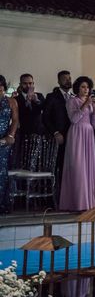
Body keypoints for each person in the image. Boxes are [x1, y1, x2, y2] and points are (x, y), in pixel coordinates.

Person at [59, 76, 95, 212]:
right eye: (83, 87)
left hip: (88, 134)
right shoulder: (72, 101)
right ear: (77, 88)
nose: (86, 90)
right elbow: (74, 119)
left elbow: (94, 124)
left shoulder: (89, 102)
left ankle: (88, 202)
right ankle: (76, 203)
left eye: (87, 87)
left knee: (88, 168)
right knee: (78, 167)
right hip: (77, 134)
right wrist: (85, 104)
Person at [43, 70, 73, 203]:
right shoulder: (52, 96)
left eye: (69, 78)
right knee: (57, 167)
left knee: (71, 167)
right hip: (58, 137)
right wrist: (55, 132)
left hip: (73, 137)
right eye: (65, 78)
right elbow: (46, 117)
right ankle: (55, 198)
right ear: (59, 81)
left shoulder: (74, 97)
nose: (68, 80)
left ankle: (70, 195)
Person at [15, 73, 46, 171]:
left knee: (38, 163)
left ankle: (36, 186)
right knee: (24, 163)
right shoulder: (16, 99)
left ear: (33, 83)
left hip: (38, 133)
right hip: (23, 135)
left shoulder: (39, 96)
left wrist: (36, 101)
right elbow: (20, 114)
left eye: (30, 83)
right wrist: (27, 102)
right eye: (25, 83)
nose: (28, 86)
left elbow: (43, 109)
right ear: (20, 84)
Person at [0, 75, 18, 214]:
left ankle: (2, 203)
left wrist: (10, 135)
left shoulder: (11, 101)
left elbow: (15, 120)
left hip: (4, 140)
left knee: (2, 171)